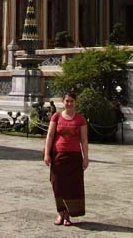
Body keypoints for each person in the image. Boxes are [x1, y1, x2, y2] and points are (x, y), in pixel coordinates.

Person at [44, 90, 88, 226]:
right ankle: (60, 212)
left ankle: (68, 214)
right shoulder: (56, 117)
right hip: (58, 155)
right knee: (57, 184)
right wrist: (46, 153)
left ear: (75, 102)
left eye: (71, 101)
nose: (69, 103)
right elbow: (50, 135)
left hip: (74, 156)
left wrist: (86, 158)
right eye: (67, 101)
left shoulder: (80, 119)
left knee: (72, 186)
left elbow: (84, 140)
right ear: (62, 102)